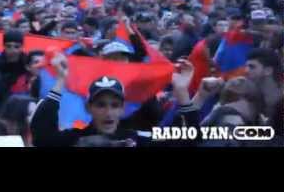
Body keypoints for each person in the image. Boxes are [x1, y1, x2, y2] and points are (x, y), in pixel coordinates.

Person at [30, 53, 199, 147]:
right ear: (89, 108)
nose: (108, 112)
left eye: (114, 105)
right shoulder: (73, 139)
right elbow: (41, 136)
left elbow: (192, 138)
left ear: (123, 109)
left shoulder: (139, 139)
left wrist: (182, 92)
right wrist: (60, 81)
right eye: (101, 105)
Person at [245, 48, 283, 120]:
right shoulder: (252, 95)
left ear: (268, 71)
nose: (246, 71)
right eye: (246, 66)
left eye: (252, 67)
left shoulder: (281, 98)